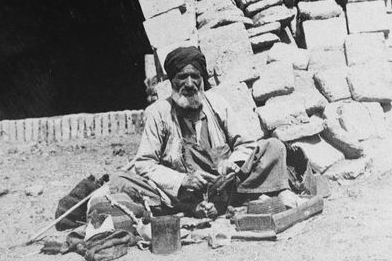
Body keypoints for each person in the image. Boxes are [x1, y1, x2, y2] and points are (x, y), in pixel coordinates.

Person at [110, 46, 298, 219]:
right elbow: (144, 163)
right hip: (182, 191)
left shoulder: (217, 103)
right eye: (182, 77)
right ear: (171, 81)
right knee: (121, 180)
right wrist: (182, 180)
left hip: (224, 185)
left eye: (195, 77)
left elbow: (245, 144)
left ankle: (223, 202)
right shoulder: (158, 113)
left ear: (202, 79)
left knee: (274, 146)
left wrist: (230, 164)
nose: (190, 84)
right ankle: (193, 207)